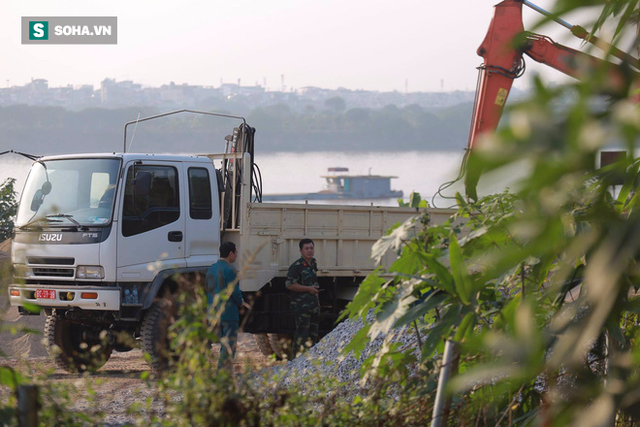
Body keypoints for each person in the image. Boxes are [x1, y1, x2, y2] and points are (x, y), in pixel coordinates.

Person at [206, 241, 243, 372]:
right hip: (228, 313)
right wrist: (241, 302)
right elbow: (235, 292)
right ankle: (224, 373)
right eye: (236, 253)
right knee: (228, 345)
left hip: (213, 312)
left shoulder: (211, 268)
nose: (237, 256)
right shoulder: (230, 269)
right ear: (231, 253)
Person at [286, 238, 321, 359]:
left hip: (313, 307)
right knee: (302, 335)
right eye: (306, 248)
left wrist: (317, 301)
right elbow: (290, 284)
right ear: (301, 251)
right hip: (302, 308)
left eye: (311, 248)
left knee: (313, 336)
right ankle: (296, 362)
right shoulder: (297, 266)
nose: (309, 251)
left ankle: (310, 361)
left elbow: (314, 285)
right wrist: (308, 289)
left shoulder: (313, 264)